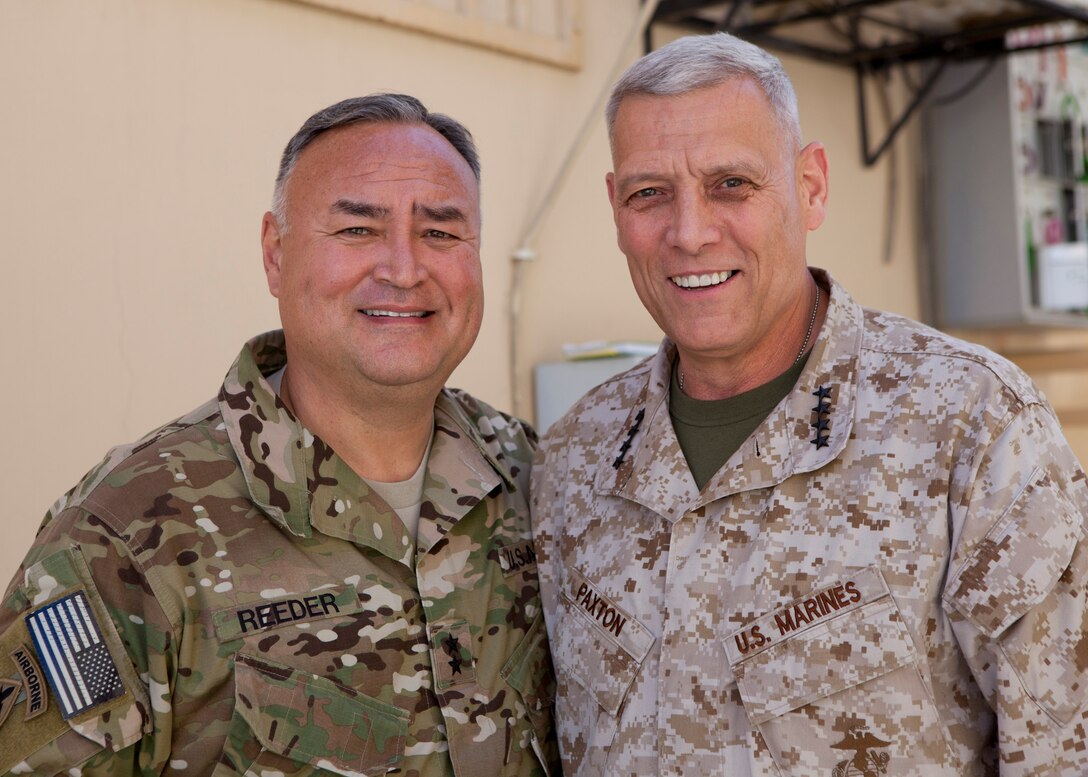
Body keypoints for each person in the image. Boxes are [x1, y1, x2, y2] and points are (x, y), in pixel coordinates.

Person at [532, 32, 1088, 776]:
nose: (690, 232)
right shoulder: (574, 458)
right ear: (615, 208)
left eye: (732, 183)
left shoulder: (971, 424)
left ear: (812, 185)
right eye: (649, 193)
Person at [0, 94, 558, 776]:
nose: (405, 268)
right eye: (357, 230)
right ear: (275, 253)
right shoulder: (124, 535)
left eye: (442, 233)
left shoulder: (537, 480)